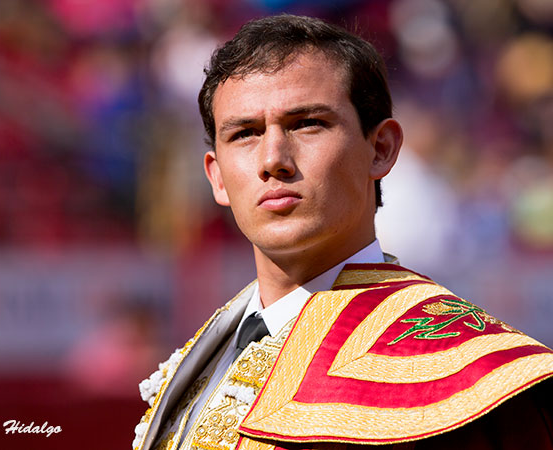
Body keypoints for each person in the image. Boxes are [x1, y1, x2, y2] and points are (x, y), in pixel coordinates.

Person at [133, 15, 553, 450]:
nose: (273, 159)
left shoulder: (475, 376)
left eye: (307, 123)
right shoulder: (199, 359)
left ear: (381, 149)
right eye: (244, 133)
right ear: (217, 177)